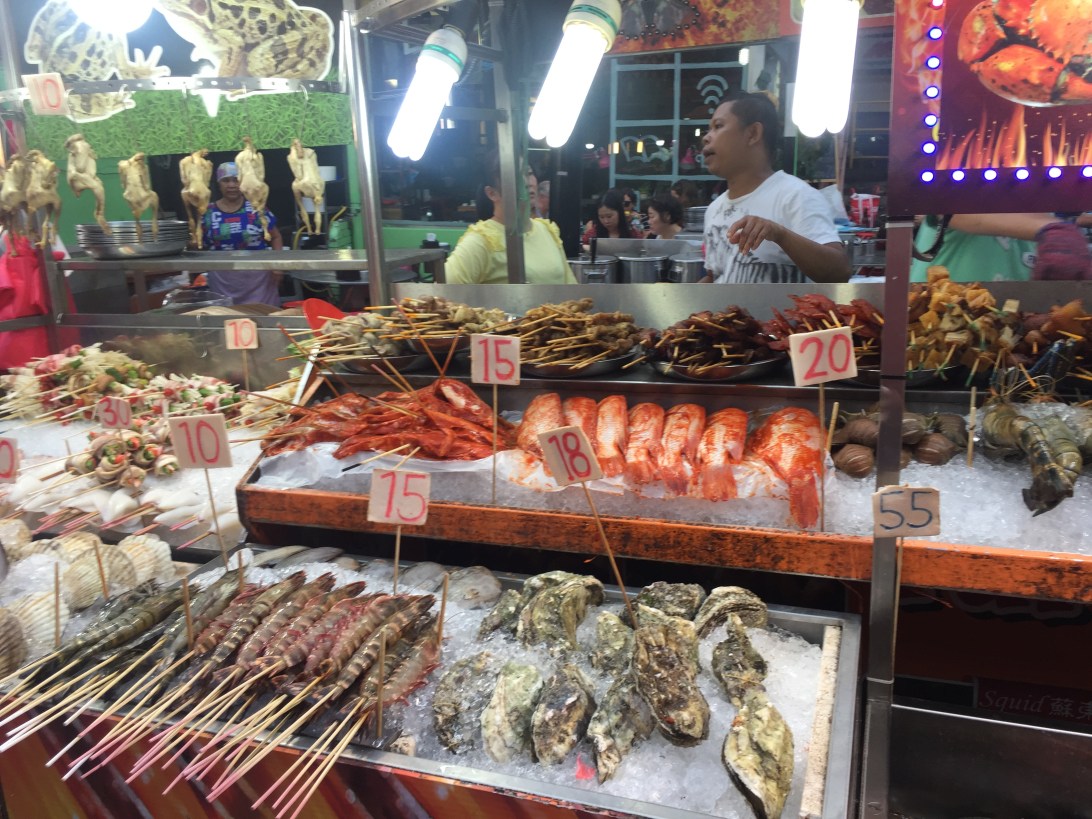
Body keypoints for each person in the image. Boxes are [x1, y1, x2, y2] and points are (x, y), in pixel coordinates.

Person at [699, 93, 850, 283]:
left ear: (753, 133)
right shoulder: (714, 210)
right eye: (708, 129)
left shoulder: (795, 196)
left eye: (718, 126)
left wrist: (780, 234)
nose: (706, 137)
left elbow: (840, 272)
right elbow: (717, 276)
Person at [445, 155, 575, 285]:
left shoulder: (547, 230)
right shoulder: (481, 241)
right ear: (492, 193)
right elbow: (444, 293)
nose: (528, 183)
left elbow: (570, 289)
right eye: (516, 177)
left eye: (529, 173)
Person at [911, 213, 1091, 281]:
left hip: (1010, 350)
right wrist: (1053, 230)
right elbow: (952, 211)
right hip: (936, 343)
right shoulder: (961, 191)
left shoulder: (1044, 215)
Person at [201, 161, 284, 305]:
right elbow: (199, 244)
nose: (232, 185)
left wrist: (277, 267)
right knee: (226, 320)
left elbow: (276, 237)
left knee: (262, 320)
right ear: (219, 184)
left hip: (258, 282)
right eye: (226, 180)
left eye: (236, 180)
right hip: (222, 281)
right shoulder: (208, 212)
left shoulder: (256, 208)